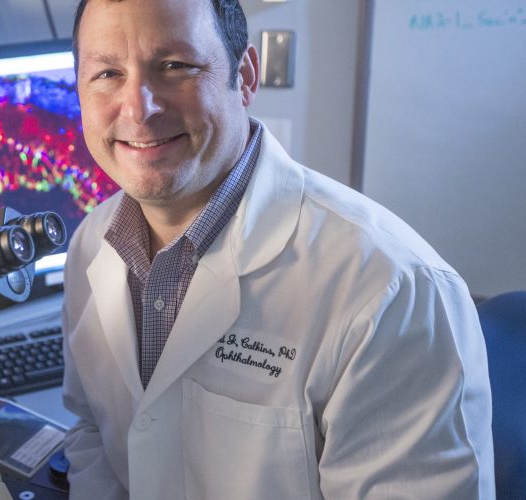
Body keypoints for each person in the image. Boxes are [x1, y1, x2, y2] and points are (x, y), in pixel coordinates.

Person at [60, 0, 495, 498]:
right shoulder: (92, 242)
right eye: (107, 74)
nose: (139, 109)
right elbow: (93, 431)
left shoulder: (391, 290)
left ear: (245, 76)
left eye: (176, 66)